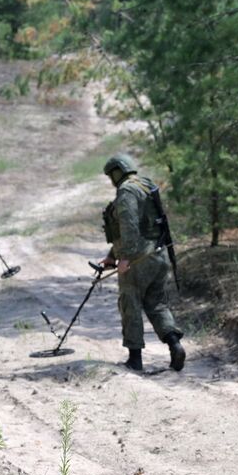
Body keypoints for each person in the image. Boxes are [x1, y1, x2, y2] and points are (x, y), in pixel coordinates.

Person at [100, 153, 185, 372]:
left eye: (111, 175)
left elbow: (129, 228)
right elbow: (145, 226)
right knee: (156, 303)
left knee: (131, 304)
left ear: (117, 172)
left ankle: (135, 359)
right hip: (157, 254)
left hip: (139, 258)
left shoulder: (127, 191)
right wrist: (112, 255)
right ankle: (174, 343)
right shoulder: (146, 185)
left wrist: (125, 258)